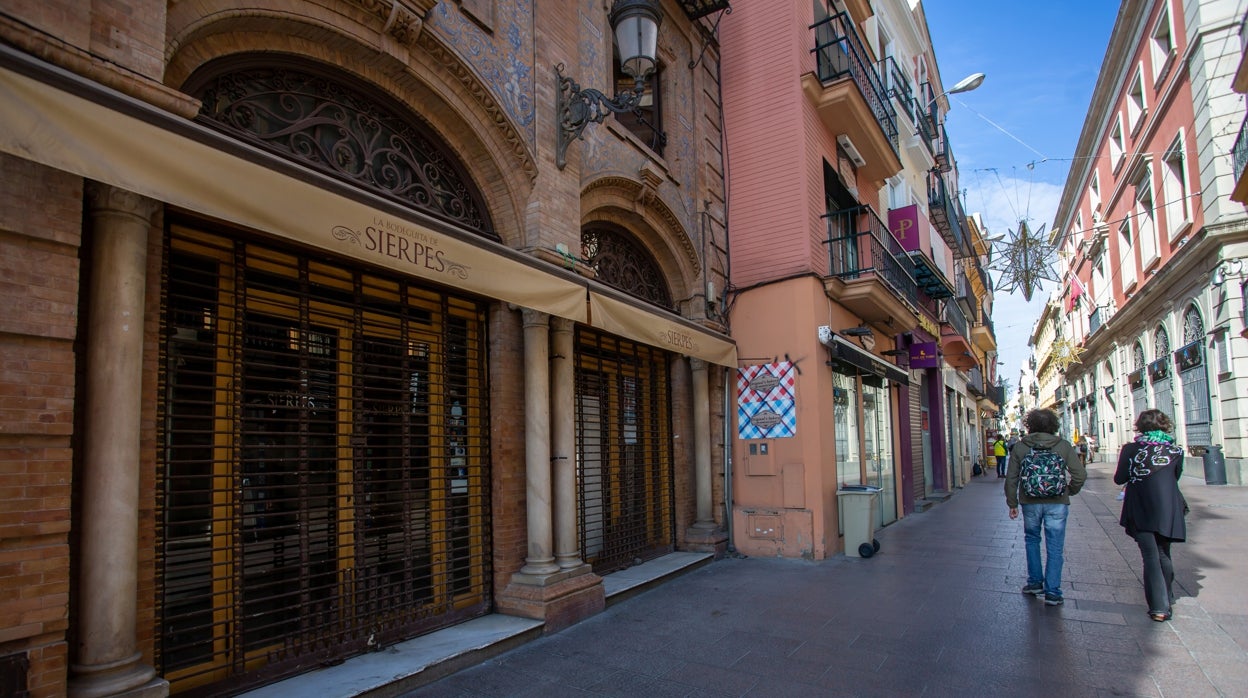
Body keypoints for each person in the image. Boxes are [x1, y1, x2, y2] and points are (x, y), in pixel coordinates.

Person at [1005, 408, 1086, 606]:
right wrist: (1069, 490)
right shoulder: (1063, 446)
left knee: (1032, 540)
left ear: (1030, 425)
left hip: (1030, 502)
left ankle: (1034, 582)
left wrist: (1012, 503)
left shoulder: (1021, 447)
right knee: (1055, 546)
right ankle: (1053, 591)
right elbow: (1080, 474)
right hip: (1057, 502)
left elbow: (1011, 478)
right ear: (1053, 425)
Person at [1114, 409, 1187, 622]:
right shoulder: (1176, 451)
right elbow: (1176, 476)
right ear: (1165, 425)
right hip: (1168, 508)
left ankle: (1159, 607)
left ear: (1140, 426)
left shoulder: (1131, 449)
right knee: (1164, 553)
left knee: (1150, 555)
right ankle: (1167, 596)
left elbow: (1119, 478)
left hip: (1141, 506)